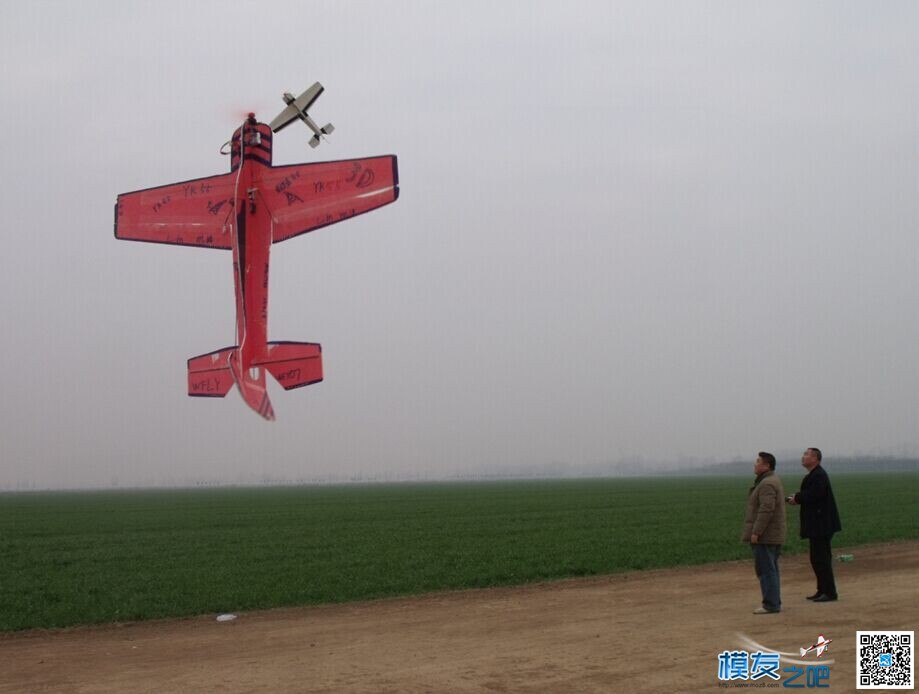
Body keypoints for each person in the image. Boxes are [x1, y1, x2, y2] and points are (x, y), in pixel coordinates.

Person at [787, 447, 842, 602]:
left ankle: (830, 593)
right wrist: (798, 498)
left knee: (822, 558)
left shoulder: (818, 475)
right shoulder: (814, 474)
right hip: (818, 524)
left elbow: (815, 494)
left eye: (806, 455)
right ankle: (822, 590)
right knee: (816, 558)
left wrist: (797, 498)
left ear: (816, 459)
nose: (803, 457)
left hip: (822, 525)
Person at [741, 451, 786, 614]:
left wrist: (756, 531)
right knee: (771, 569)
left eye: (758, 461)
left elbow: (766, 510)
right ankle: (774, 601)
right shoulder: (771, 481)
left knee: (766, 570)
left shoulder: (767, 483)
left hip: (766, 535)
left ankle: (771, 604)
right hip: (772, 534)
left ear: (767, 466)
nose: (755, 464)